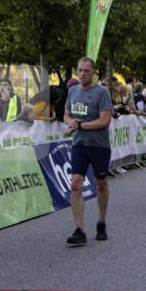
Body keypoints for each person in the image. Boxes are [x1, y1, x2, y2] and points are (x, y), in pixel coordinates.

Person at [63, 57, 113, 245]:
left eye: (86, 71)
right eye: (80, 70)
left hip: (99, 146)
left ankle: (101, 221)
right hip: (79, 145)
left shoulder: (101, 93)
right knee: (76, 184)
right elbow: (66, 114)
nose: (82, 74)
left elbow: (104, 120)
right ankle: (79, 229)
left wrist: (82, 125)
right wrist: (71, 123)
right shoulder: (72, 91)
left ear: (94, 72)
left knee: (101, 183)